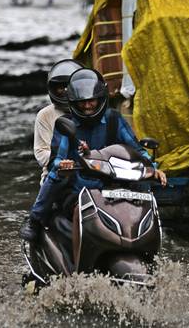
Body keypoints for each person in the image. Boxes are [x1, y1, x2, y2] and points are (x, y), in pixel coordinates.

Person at [20, 68, 167, 241]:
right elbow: (57, 157)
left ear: (100, 99)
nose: (88, 106)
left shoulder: (114, 119)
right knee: (55, 176)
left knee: (143, 184)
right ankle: (35, 220)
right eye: (83, 102)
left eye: (92, 101)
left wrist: (152, 168)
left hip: (111, 179)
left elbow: (136, 149)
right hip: (78, 183)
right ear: (74, 102)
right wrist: (62, 165)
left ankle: (150, 239)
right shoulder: (66, 123)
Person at [34, 59, 84, 184]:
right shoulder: (45, 115)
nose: (65, 91)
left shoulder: (91, 109)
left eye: (69, 86)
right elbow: (41, 153)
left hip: (93, 168)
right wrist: (62, 160)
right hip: (57, 173)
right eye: (60, 87)